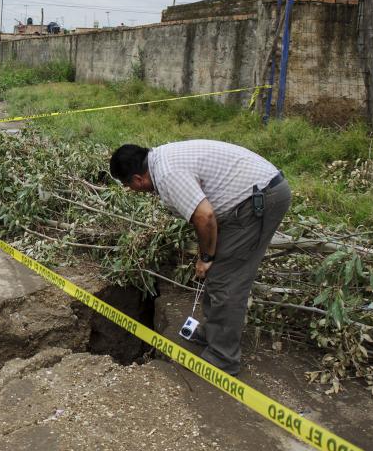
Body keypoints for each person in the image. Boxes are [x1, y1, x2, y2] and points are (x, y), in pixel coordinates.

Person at [110, 140, 291, 376]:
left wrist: (206, 257)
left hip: (259, 200)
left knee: (228, 279)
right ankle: (213, 333)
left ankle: (222, 357)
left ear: (137, 179)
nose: (130, 190)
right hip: (252, 193)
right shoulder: (160, 159)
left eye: (127, 185)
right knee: (220, 273)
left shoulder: (167, 175)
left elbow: (205, 216)